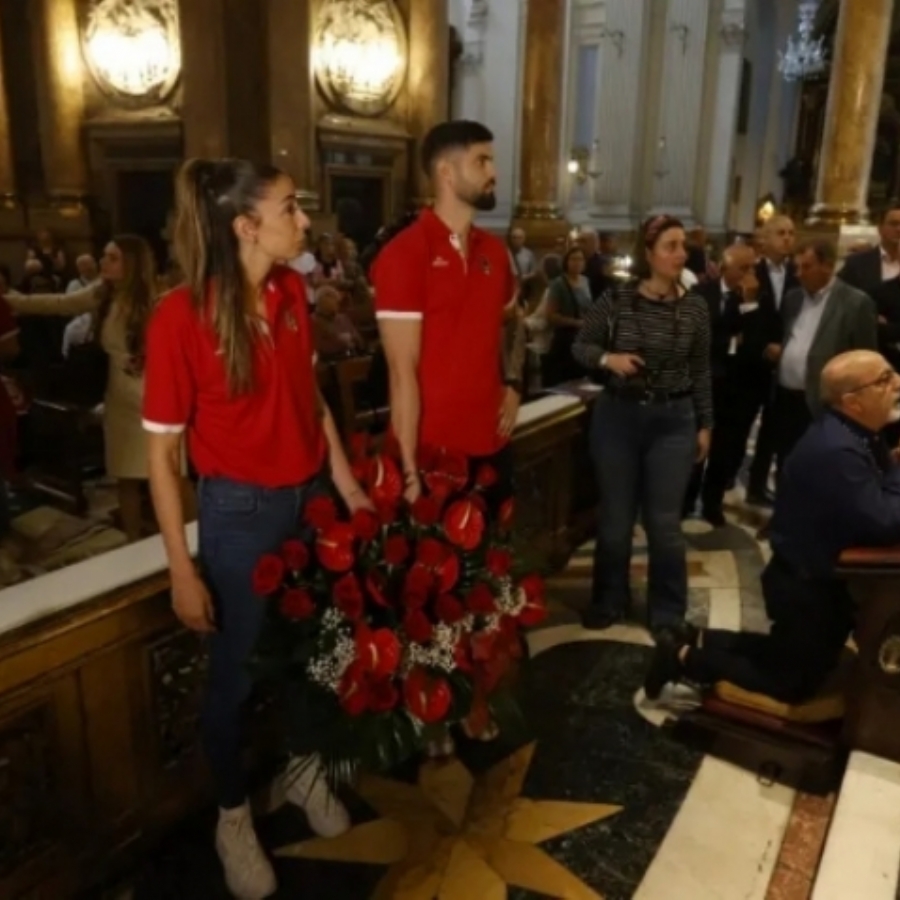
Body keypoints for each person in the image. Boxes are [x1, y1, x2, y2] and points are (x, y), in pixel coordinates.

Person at [142, 159, 372, 899]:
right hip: (239, 512)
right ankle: (233, 816)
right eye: (290, 208)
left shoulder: (292, 289)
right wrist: (182, 567)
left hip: (309, 499)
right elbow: (162, 453)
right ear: (246, 225)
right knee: (236, 675)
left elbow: (311, 400)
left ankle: (304, 768)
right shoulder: (180, 315)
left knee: (312, 651)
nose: (303, 221)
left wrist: (345, 484)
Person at [370, 120, 524, 749]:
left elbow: (513, 325)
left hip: (492, 448)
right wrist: (407, 469)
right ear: (446, 171)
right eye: (484, 160)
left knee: (484, 590)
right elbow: (401, 374)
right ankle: (430, 705)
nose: (493, 172)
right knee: (429, 595)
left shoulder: (496, 252)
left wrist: (513, 380)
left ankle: (476, 699)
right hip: (433, 455)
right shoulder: (404, 254)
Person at [646, 350, 900, 703]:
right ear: (853, 401)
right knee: (791, 685)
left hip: (810, 577)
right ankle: (682, 658)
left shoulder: (858, 433)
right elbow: (886, 522)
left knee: (784, 651)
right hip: (804, 585)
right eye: (884, 380)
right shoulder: (838, 450)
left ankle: (698, 636)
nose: (897, 384)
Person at [573, 214, 712, 635]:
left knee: (664, 524)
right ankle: (610, 599)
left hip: (673, 421)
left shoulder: (695, 307)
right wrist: (608, 359)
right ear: (648, 253)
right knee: (615, 519)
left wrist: (706, 424)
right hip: (619, 417)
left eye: (682, 246)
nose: (680, 254)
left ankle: (668, 612)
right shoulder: (616, 300)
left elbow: (702, 369)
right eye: (670, 246)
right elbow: (582, 345)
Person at [5, 235, 179, 542]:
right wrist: (10, 300)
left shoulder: (158, 298)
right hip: (120, 397)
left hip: (157, 396)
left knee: (168, 476)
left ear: (132, 263)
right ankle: (134, 545)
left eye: (112, 258)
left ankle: (186, 539)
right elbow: (59, 303)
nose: (103, 262)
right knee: (125, 475)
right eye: (104, 256)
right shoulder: (104, 292)